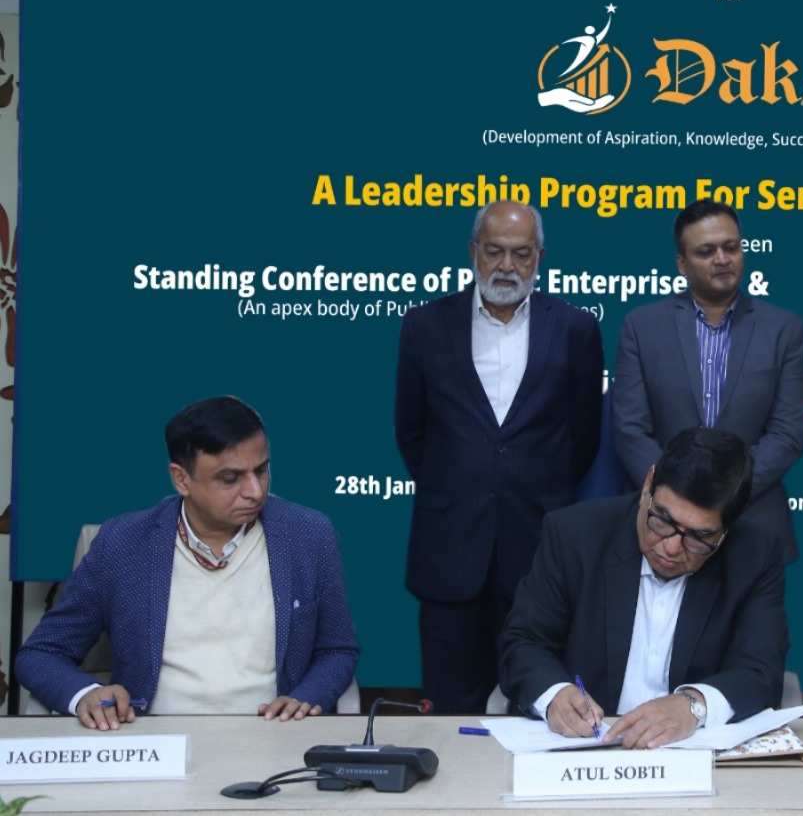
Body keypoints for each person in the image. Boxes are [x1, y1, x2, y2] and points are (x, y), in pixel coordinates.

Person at [15, 396, 359, 730]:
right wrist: (85, 694)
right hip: (152, 737)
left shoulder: (308, 535)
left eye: (261, 470)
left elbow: (337, 649)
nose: (255, 491)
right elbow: (41, 653)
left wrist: (305, 698)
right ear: (181, 479)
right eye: (231, 478)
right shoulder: (122, 543)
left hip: (273, 734)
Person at [395, 199, 603, 713]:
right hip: (450, 548)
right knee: (447, 710)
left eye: (521, 254)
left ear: (540, 257)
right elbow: (411, 431)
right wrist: (463, 481)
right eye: (494, 251)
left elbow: (582, 438)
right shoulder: (424, 325)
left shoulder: (575, 328)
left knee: (541, 707)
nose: (506, 266)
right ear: (473, 252)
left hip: (537, 547)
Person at [499, 427, 788, 749]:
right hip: (586, 749)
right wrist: (555, 695)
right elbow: (524, 642)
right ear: (648, 484)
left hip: (692, 754)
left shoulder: (754, 556)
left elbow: (760, 672)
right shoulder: (574, 535)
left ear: (724, 532)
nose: (671, 548)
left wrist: (693, 705)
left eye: (698, 538)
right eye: (662, 521)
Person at [612, 199, 803, 560]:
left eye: (730, 247)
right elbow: (629, 429)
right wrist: (678, 499)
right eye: (706, 251)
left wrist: (724, 495)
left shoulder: (784, 329)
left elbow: (787, 435)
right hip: (662, 529)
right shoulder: (642, 327)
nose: (722, 259)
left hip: (752, 523)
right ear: (682, 264)